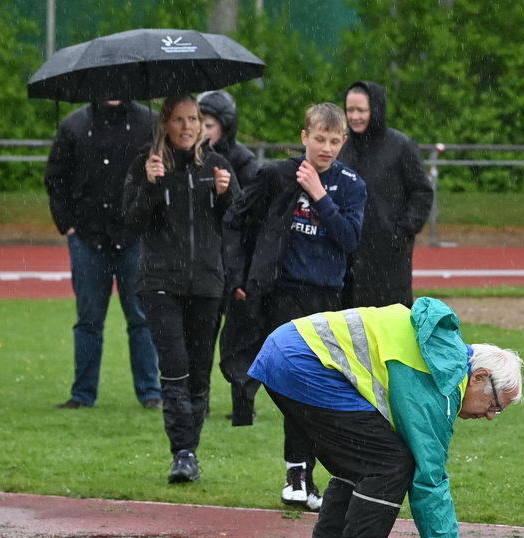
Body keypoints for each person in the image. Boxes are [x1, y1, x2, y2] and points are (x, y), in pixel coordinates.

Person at [247, 297, 523, 538]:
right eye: (495, 405)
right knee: (391, 464)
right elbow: (429, 478)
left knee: (360, 467)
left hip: (284, 353)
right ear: (479, 376)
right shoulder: (440, 384)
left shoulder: (441, 359)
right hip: (305, 362)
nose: (490, 416)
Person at [223, 102, 366, 510]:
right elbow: (237, 217)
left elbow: (349, 239)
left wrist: (320, 196)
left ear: (343, 142)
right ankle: (297, 473)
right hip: (281, 293)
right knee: (292, 381)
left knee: (318, 386)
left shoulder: (352, 184)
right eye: (318, 139)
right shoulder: (277, 175)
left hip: (325, 296)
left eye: (334, 141)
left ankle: (303, 474)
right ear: (304, 137)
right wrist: (240, 276)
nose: (326, 147)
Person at [122, 94, 237, 484]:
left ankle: (191, 447)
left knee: (200, 370)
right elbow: (132, 222)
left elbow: (233, 222)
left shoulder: (218, 166)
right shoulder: (146, 165)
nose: (188, 127)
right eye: (179, 120)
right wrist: (152, 186)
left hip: (207, 283)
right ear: (165, 125)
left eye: (194, 119)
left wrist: (227, 195)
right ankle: (182, 453)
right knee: (174, 367)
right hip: (159, 283)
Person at [45, 100, 162, 411]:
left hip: (134, 237)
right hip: (87, 238)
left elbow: (165, 176)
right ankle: (83, 394)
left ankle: (151, 392)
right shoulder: (73, 125)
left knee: (141, 318)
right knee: (88, 320)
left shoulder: (150, 123)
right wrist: (67, 225)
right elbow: (56, 177)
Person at [197, 90, 262, 427]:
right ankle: (199, 400)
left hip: (237, 265)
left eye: (208, 123)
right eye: (198, 122)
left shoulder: (245, 162)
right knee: (202, 335)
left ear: (225, 125)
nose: (201, 130)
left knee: (240, 338)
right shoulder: (189, 160)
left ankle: (243, 404)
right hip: (204, 261)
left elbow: (251, 216)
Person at [339, 81, 434, 308]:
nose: (355, 116)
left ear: (376, 108)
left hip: (389, 256)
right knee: (349, 324)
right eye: (350, 110)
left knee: (390, 321)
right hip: (347, 254)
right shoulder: (342, 147)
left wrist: (402, 232)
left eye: (361, 110)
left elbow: (422, 192)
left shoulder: (400, 146)